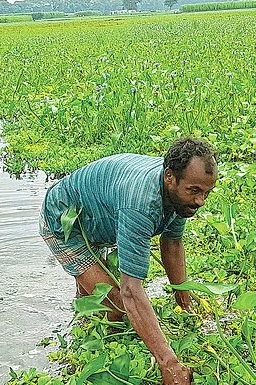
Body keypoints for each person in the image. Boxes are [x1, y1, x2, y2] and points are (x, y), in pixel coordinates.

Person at [40, 137, 218, 385]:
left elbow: (172, 243)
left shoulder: (181, 193)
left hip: (100, 214)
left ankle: (88, 321)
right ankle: (96, 346)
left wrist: (184, 303)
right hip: (65, 218)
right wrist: (169, 363)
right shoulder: (140, 204)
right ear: (170, 177)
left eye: (206, 192)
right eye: (194, 192)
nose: (200, 201)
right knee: (117, 308)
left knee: (97, 297)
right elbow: (131, 292)